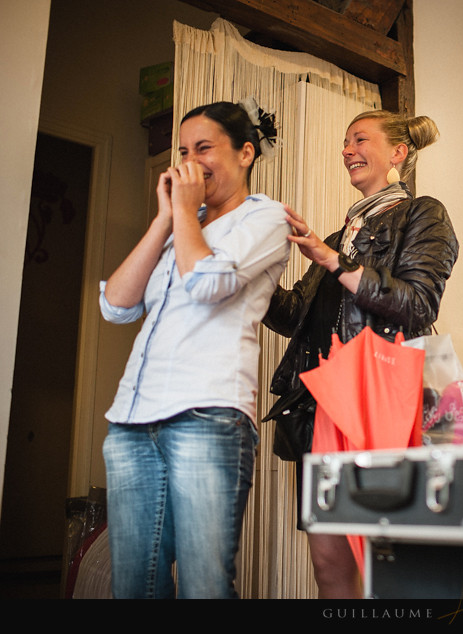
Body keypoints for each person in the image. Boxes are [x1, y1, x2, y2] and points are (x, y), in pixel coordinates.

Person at [263, 110, 459, 599]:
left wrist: (333, 261)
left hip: (390, 403)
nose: (347, 149)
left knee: (393, 561)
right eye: (344, 141)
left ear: (398, 152)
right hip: (324, 406)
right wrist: (258, 270)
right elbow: (293, 317)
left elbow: (416, 305)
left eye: (359, 139)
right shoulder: (337, 238)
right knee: (329, 564)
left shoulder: (423, 214)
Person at [99, 100, 291, 598]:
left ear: (245, 153)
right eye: (184, 150)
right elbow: (116, 305)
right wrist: (166, 217)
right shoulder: (179, 225)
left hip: (207, 415)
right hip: (132, 420)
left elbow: (207, 283)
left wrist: (184, 213)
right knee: (133, 590)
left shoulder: (265, 218)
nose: (190, 160)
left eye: (204, 147)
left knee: (204, 588)